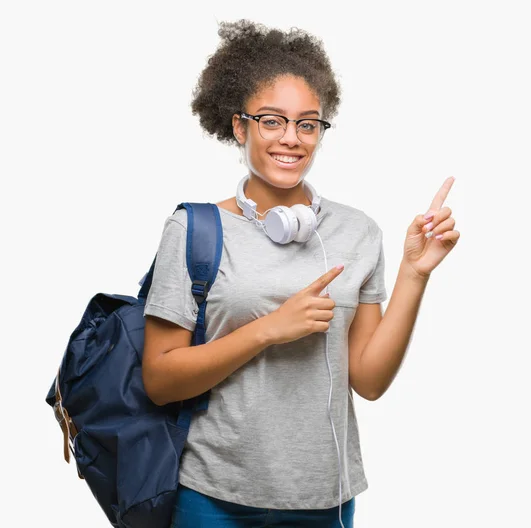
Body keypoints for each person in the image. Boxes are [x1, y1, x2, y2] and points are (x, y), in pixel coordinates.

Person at [142, 18, 459, 528]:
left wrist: (414, 273)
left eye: (307, 123)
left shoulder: (358, 233)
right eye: (271, 120)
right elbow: (159, 379)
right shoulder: (194, 228)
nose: (291, 139)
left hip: (325, 500)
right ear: (240, 127)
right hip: (212, 498)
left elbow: (370, 380)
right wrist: (268, 329)